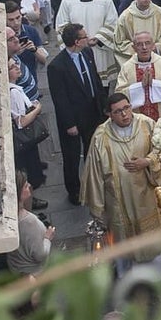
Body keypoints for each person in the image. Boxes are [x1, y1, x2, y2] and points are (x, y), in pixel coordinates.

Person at [82, 93, 161, 266]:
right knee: (123, 248)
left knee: (151, 242)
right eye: (118, 111)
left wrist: (147, 161)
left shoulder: (146, 124)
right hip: (118, 201)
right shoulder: (100, 137)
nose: (125, 114)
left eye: (127, 108)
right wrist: (98, 209)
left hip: (146, 196)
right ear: (109, 114)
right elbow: (95, 174)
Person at [47, 23, 108, 206]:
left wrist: (103, 106)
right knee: (72, 156)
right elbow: (60, 99)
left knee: (93, 150)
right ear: (76, 42)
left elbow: (95, 81)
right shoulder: (57, 67)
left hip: (92, 112)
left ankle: (95, 184)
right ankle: (74, 190)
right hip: (73, 118)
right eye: (84, 37)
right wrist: (69, 124)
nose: (87, 38)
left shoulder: (87, 54)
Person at [54, 0, 119, 81]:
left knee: (101, 87)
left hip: (99, 48)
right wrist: (78, 41)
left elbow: (113, 23)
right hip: (77, 49)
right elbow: (62, 25)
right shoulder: (68, 0)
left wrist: (98, 38)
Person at [8, 56, 47, 201]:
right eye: (12, 67)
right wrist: (37, 110)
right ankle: (31, 200)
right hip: (24, 139)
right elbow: (20, 122)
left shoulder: (15, 88)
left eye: (16, 65)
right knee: (27, 171)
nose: (17, 68)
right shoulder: (14, 92)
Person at [116, 32, 161, 120]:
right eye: (139, 44)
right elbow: (119, 95)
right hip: (137, 120)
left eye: (147, 43)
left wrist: (155, 84)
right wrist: (140, 86)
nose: (144, 47)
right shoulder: (127, 67)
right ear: (134, 48)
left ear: (153, 45)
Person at [6, 171, 55, 277]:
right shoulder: (28, 222)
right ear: (17, 193)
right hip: (34, 273)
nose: (29, 185)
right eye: (25, 186)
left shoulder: (11, 215)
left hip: (16, 268)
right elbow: (40, 255)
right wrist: (47, 238)